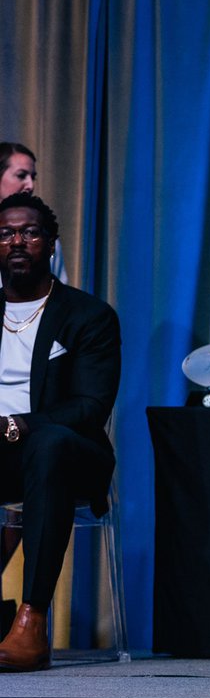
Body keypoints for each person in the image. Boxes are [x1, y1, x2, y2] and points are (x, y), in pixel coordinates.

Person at [0, 193, 120, 672]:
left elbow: (90, 407)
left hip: (69, 455)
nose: (17, 241)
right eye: (6, 233)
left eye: (29, 232)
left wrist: (17, 425)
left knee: (47, 445)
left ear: (50, 243)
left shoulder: (87, 316)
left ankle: (32, 620)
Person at [0, 145, 67, 283]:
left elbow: (59, 290)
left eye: (32, 177)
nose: (30, 185)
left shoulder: (44, 235)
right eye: (21, 175)